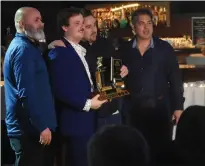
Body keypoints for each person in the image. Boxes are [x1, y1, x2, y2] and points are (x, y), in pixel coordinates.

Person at [120, 8, 184, 165]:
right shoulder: (124, 50)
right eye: (141, 24)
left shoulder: (164, 49)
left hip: (160, 109)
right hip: (133, 111)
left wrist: (178, 107)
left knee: (160, 152)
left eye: (149, 23)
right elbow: (116, 82)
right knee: (135, 152)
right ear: (133, 27)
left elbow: (175, 79)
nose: (146, 27)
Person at [48, 9, 129, 130]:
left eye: (95, 25)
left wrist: (123, 70)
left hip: (113, 111)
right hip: (92, 115)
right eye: (88, 26)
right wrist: (51, 46)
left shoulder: (105, 44)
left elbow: (117, 71)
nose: (94, 30)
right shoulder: (71, 50)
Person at [47, 7, 107, 166]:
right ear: (65, 27)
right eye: (77, 23)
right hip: (75, 123)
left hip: (86, 121)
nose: (82, 26)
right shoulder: (60, 51)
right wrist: (88, 104)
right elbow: (60, 89)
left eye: (82, 23)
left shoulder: (77, 49)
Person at [3, 7, 57, 166]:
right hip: (29, 131)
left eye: (41, 19)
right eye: (36, 20)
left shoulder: (28, 47)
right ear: (21, 24)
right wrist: (41, 126)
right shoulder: (23, 50)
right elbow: (27, 93)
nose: (42, 24)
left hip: (31, 129)